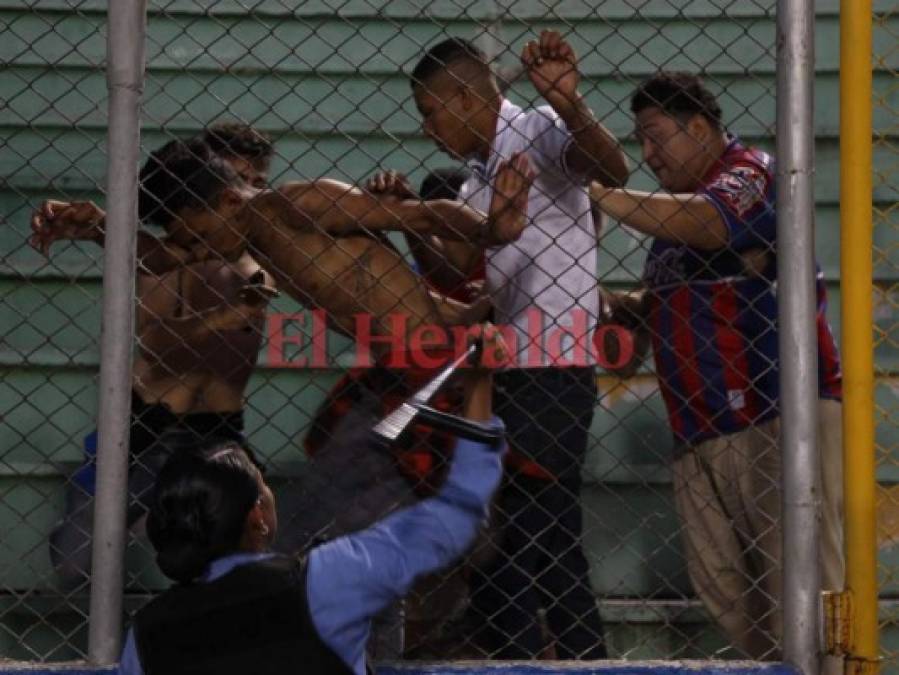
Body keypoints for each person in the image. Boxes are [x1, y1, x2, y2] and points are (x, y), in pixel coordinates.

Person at [589, 71, 844, 664]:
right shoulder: (668, 235)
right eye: (641, 143)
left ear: (698, 127)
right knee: (732, 596)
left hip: (775, 415)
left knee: (805, 583)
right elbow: (662, 314)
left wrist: (595, 194)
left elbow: (711, 224)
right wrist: (605, 305)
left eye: (655, 138)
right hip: (699, 428)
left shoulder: (749, 174)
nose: (647, 156)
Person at [392, 32, 629, 660]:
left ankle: (582, 662)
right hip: (505, 374)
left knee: (541, 535)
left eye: (430, 112)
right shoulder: (476, 184)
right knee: (514, 545)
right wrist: (406, 217)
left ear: (467, 96)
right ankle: (534, 659)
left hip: (555, 368)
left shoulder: (539, 129)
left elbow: (612, 168)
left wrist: (571, 104)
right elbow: (460, 269)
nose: (428, 130)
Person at [116, 326, 509, 675]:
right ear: (258, 516)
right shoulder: (324, 582)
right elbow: (455, 514)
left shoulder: (148, 634)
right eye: (263, 486)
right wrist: (478, 387)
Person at [40, 124, 279, 586]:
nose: (251, 198)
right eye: (241, 183)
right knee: (73, 566)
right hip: (151, 427)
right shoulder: (173, 248)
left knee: (239, 566)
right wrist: (103, 228)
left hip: (220, 431)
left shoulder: (258, 243)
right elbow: (164, 331)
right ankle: (128, 507)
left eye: (260, 185)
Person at [31, 138, 533, 352]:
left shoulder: (299, 205)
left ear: (229, 199)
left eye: (200, 234)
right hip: (408, 357)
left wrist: (494, 230)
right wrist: (98, 227)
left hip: (455, 339)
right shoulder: (238, 233)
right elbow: (162, 257)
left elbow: (418, 213)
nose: (199, 248)